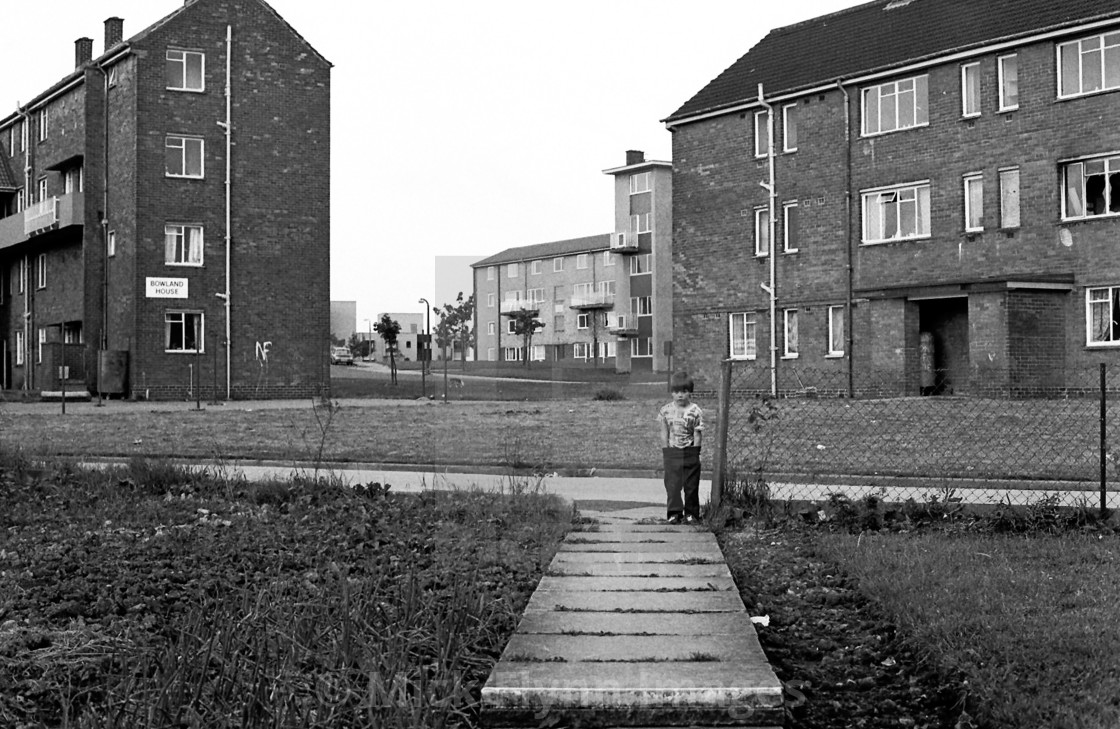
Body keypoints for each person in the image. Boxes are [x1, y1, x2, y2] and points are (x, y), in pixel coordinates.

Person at [658, 370, 704, 524]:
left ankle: (691, 514)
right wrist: (666, 450)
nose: (680, 395)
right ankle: (674, 513)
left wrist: (695, 452)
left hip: (690, 451)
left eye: (684, 391)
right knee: (673, 485)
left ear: (689, 392)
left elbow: (698, 434)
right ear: (672, 392)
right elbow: (664, 432)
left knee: (691, 485)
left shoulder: (696, 411)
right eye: (676, 391)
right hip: (672, 452)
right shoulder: (665, 411)